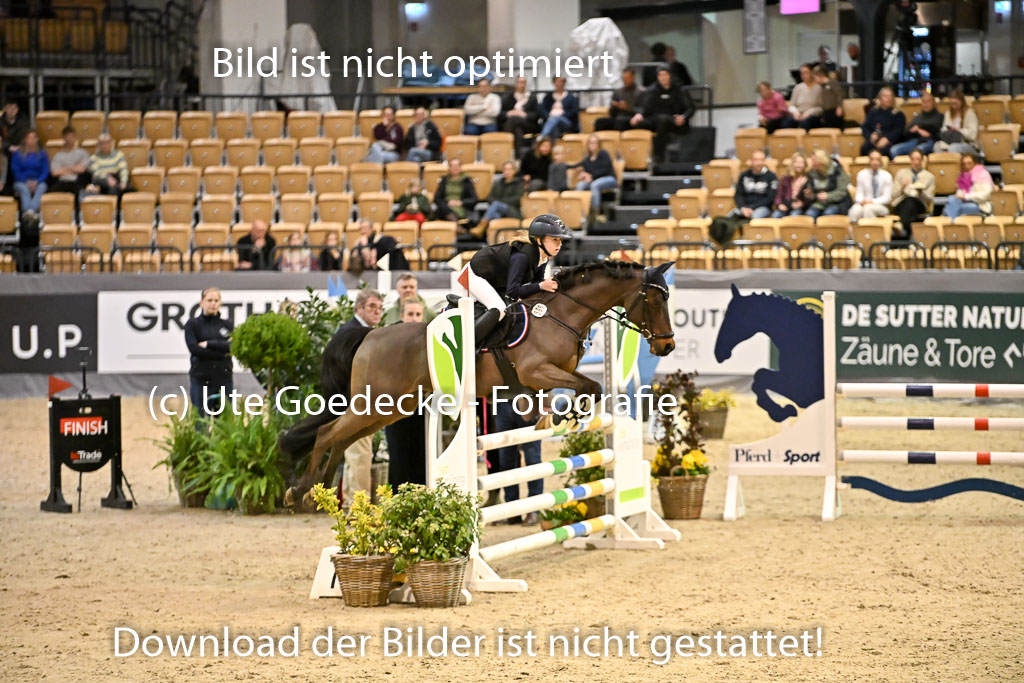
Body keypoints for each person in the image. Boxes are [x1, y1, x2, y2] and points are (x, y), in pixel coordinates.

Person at [462, 214, 570, 342]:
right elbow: (512, 292)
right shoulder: (522, 257)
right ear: (539, 240)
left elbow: (537, 283)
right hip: (474, 275)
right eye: (554, 239)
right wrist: (541, 286)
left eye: (560, 240)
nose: (559, 244)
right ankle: (469, 344)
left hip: (494, 280)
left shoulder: (543, 257)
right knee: (499, 308)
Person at [326, 289, 384, 508]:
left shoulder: (357, 331)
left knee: (354, 453)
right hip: (355, 400)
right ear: (359, 308)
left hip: (352, 399)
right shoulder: (355, 333)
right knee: (360, 453)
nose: (377, 312)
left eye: (380, 308)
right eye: (372, 307)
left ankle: (352, 506)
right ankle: (360, 509)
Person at [383, 296, 428, 490]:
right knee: (398, 456)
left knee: (421, 455)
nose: (415, 318)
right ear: (402, 316)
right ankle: (397, 499)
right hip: (396, 406)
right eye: (411, 314)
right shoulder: (390, 340)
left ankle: (421, 498)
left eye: (418, 314)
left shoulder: (429, 339)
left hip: (422, 405)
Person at [183, 287, 234, 418]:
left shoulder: (227, 325)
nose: (213, 304)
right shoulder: (193, 324)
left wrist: (208, 344)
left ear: (220, 303)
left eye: (216, 300)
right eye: (209, 300)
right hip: (200, 379)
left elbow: (232, 347)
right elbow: (194, 349)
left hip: (223, 378)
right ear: (202, 302)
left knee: (224, 422)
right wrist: (221, 353)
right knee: (200, 420)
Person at [631, 65, 696, 163]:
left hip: (673, 120)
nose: (663, 77)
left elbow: (690, 108)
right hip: (654, 119)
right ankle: (638, 158)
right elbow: (645, 106)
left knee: (663, 120)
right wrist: (639, 115)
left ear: (670, 75)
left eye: (665, 74)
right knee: (637, 123)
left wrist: (683, 117)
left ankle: (659, 157)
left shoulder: (679, 89)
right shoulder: (652, 90)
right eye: (660, 75)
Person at [890, 147, 935, 240]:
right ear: (910, 159)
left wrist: (921, 192)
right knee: (909, 202)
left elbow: (929, 199)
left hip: (920, 204)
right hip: (901, 203)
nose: (916, 162)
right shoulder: (901, 173)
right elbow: (893, 195)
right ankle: (910, 237)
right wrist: (902, 187)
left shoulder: (929, 176)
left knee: (912, 201)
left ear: (922, 160)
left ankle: (901, 225)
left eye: (918, 159)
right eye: (913, 159)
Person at [573, 133, 617, 221]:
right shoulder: (587, 158)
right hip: (594, 180)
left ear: (598, 144)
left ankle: (595, 213)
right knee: (580, 185)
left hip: (609, 178)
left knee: (595, 185)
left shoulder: (604, 154)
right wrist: (583, 173)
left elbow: (605, 169)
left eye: (595, 143)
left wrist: (591, 176)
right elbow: (579, 166)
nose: (593, 145)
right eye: (591, 143)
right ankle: (580, 212)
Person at [477, 161, 524, 236]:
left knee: (496, 204)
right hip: (498, 211)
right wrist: (498, 204)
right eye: (505, 169)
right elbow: (489, 197)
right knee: (495, 214)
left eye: (509, 169)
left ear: (514, 171)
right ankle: (496, 238)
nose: (507, 171)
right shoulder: (498, 183)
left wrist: (500, 203)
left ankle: (481, 226)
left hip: (513, 210)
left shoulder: (519, 183)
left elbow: (517, 199)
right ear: (502, 171)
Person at [890, 92, 943, 157]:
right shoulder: (918, 117)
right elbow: (907, 130)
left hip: (930, 141)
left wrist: (919, 128)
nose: (925, 104)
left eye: (928, 101)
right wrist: (915, 130)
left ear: (934, 103)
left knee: (918, 150)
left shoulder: (939, 116)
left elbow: (935, 128)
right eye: (923, 102)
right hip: (915, 141)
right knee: (894, 150)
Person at [730, 149, 777, 221]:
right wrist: (742, 207)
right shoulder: (744, 175)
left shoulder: (771, 176)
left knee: (754, 218)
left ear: (764, 161)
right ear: (751, 161)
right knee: (729, 217)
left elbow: (770, 198)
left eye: (761, 160)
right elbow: (738, 195)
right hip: (744, 207)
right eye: (756, 160)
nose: (759, 163)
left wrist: (752, 207)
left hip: (763, 208)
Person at [942, 152, 992, 219]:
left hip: (980, 205)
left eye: (969, 163)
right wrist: (961, 196)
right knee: (952, 200)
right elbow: (959, 193)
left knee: (949, 209)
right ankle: (950, 222)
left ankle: (949, 223)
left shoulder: (983, 174)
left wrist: (966, 196)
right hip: (963, 202)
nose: (966, 166)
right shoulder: (963, 175)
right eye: (964, 164)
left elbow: (987, 195)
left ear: (974, 163)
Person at [804, 150, 852, 219]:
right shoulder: (811, 173)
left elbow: (842, 191)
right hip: (819, 203)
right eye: (811, 160)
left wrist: (828, 196)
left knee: (828, 214)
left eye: (814, 160)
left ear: (821, 161)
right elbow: (813, 193)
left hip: (837, 203)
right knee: (809, 215)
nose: (812, 163)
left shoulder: (837, 171)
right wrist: (810, 195)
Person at [11, 130, 48, 217]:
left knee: (42, 187)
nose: (31, 140)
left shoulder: (42, 154)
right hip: (21, 181)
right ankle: (29, 213)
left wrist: (37, 181)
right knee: (24, 189)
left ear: (37, 139)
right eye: (29, 138)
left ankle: (30, 212)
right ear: (25, 139)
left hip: (38, 181)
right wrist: (26, 181)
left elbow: (45, 171)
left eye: (33, 138)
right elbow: (16, 171)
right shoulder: (17, 154)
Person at [849, 150, 893, 223]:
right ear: (869, 160)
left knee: (868, 208)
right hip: (865, 203)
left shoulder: (887, 176)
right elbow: (859, 194)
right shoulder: (861, 174)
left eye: (877, 159)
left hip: (881, 205)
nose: (875, 162)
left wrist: (872, 201)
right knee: (855, 210)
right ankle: (853, 230)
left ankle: (870, 229)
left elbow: (887, 198)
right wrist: (861, 201)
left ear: (880, 161)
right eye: (872, 159)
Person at [860, 87, 905, 157]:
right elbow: (865, 126)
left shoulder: (898, 114)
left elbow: (898, 130)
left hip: (890, 142)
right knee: (864, 148)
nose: (889, 99)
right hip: (875, 140)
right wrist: (870, 136)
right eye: (886, 96)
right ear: (880, 98)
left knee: (885, 151)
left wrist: (887, 138)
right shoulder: (873, 111)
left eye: (891, 96)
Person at [48, 126, 91, 200]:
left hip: (77, 181)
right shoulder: (58, 155)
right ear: (63, 138)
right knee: (50, 195)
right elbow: (55, 172)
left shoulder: (83, 153)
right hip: (62, 181)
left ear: (75, 137)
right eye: (67, 137)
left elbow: (82, 170)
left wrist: (64, 169)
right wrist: (74, 168)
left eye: (71, 136)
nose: (69, 139)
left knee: (81, 194)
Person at [433, 158, 478, 227]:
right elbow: (437, 198)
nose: (454, 168)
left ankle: (456, 227)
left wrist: (461, 202)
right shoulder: (444, 180)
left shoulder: (466, 180)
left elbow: (474, 199)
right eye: (452, 166)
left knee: (443, 210)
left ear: (460, 167)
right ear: (449, 168)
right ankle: (458, 227)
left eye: (456, 166)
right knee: (443, 208)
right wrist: (448, 202)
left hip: (461, 207)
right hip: (446, 207)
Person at [595, 68, 642, 132]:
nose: (625, 80)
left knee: (620, 122)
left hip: (632, 119)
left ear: (633, 77)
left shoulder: (641, 92)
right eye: (624, 78)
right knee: (599, 122)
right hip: (617, 118)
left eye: (628, 78)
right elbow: (611, 113)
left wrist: (627, 108)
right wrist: (614, 106)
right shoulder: (618, 92)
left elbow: (642, 111)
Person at [934, 88, 979, 155]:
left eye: (955, 103)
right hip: (951, 140)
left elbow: (972, 134)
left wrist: (958, 130)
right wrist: (949, 130)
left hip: (968, 143)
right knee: (937, 145)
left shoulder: (970, 113)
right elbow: (944, 128)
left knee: (953, 148)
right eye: (952, 103)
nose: (953, 106)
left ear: (961, 101)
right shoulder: (948, 113)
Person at [499, 76, 539, 151]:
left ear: (526, 84)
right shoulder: (507, 97)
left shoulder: (531, 97)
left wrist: (524, 114)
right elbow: (500, 114)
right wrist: (509, 113)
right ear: (515, 84)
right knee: (517, 131)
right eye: (519, 82)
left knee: (514, 119)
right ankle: (518, 156)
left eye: (523, 82)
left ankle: (505, 149)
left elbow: (536, 114)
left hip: (527, 124)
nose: (521, 85)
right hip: (513, 125)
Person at [780, 64, 822, 131]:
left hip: (812, 115)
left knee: (805, 123)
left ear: (812, 73)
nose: (803, 75)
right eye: (801, 73)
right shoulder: (798, 88)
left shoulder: (819, 88)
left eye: (806, 72)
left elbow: (821, 107)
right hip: (799, 114)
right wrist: (795, 112)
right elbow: (791, 105)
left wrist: (809, 112)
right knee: (786, 123)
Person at [539, 76, 579, 140]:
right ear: (554, 83)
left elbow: (573, 112)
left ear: (564, 83)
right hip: (550, 120)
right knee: (554, 125)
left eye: (561, 82)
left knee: (556, 118)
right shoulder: (548, 97)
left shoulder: (571, 97)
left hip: (566, 121)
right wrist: (549, 117)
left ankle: (542, 137)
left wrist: (561, 115)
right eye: (557, 81)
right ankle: (553, 144)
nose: (559, 84)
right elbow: (543, 110)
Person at [772, 152, 809, 218]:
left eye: (801, 162)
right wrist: (779, 204)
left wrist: (802, 204)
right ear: (792, 164)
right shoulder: (785, 178)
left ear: (805, 164)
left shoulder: (808, 179)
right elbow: (779, 194)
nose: (798, 165)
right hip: (785, 205)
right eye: (796, 162)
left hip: (799, 208)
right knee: (775, 215)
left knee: (793, 216)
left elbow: (809, 198)